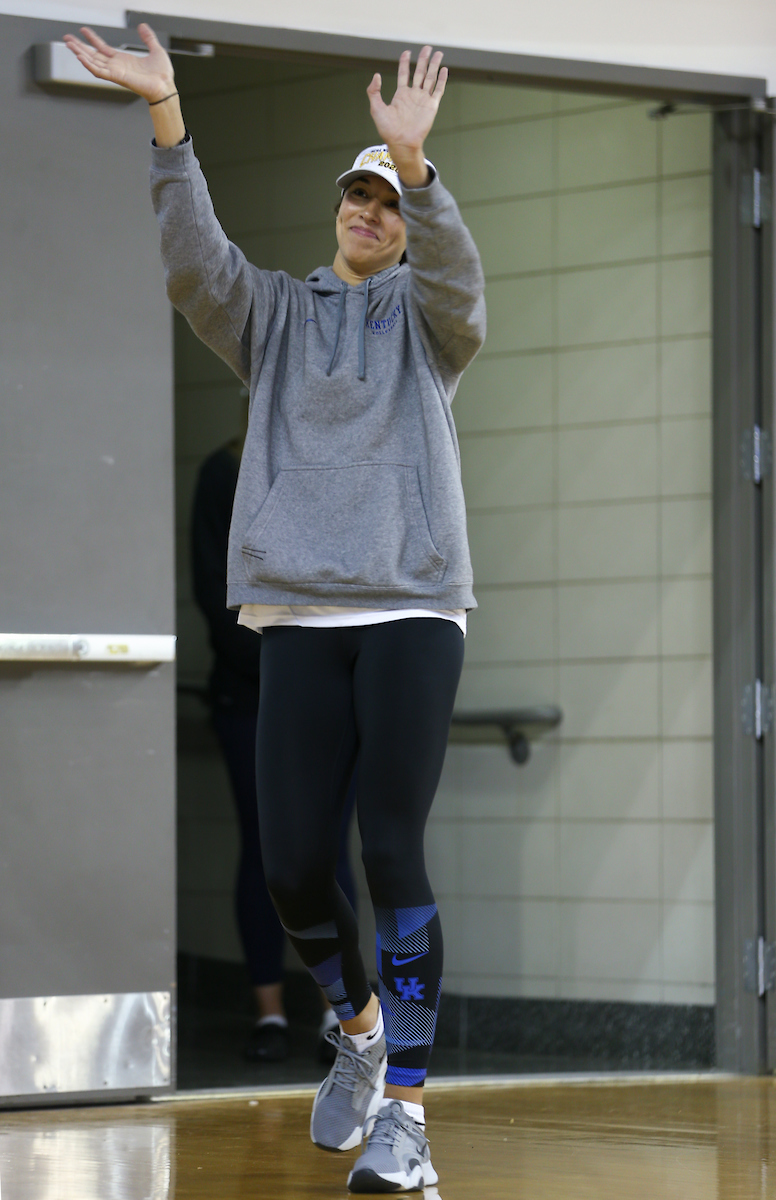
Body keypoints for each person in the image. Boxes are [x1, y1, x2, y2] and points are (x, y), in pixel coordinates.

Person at [64, 23, 486, 1194]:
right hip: (294, 614)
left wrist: (418, 165)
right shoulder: (274, 316)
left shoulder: (429, 321)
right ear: (336, 206)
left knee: (388, 848)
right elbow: (194, 260)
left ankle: (408, 1118)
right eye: (359, 193)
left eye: (387, 201)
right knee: (295, 866)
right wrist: (167, 118)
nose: (369, 212)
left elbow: (461, 281)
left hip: (410, 609)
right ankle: (356, 1032)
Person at [190, 433, 358, 1065]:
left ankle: (340, 1015)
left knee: (330, 850)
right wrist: (293, 667)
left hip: (329, 688)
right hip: (253, 691)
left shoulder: (338, 461)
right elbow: (215, 589)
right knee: (265, 851)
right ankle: (270, 1013)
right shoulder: (226, 471)